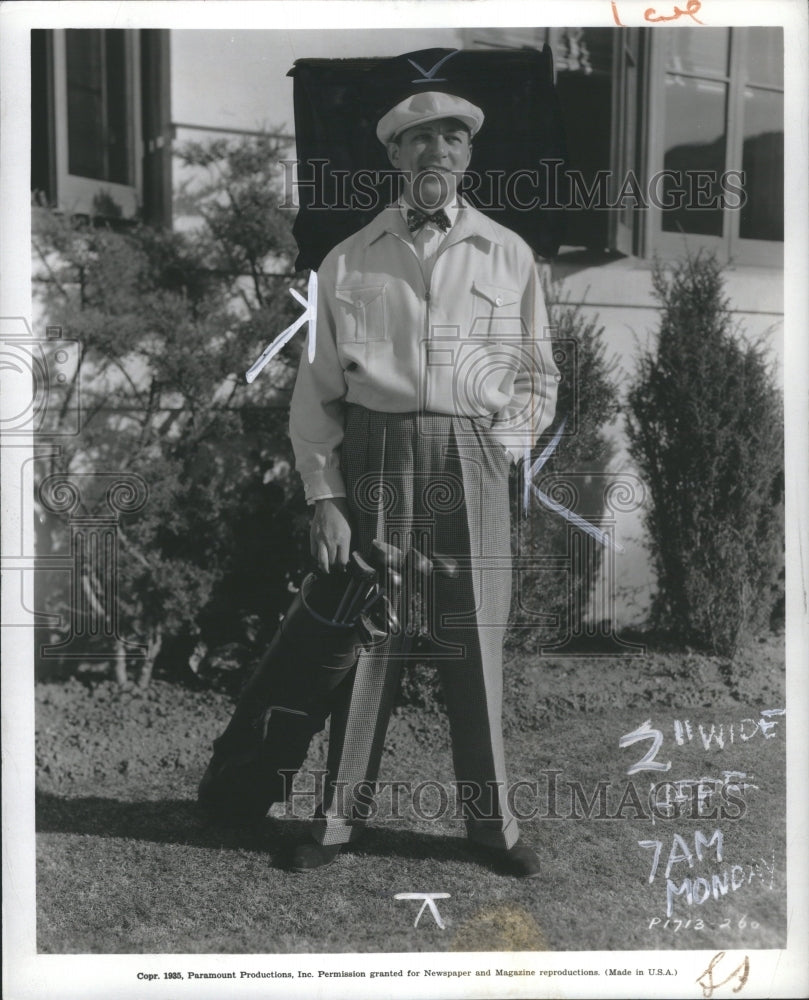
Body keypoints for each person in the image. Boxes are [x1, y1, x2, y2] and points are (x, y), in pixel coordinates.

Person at [288, 90, 559, 876]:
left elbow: (538, 375)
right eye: (417, 139)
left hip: (468, 455)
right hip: (374, 457)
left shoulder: (507, 255)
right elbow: (315, 394)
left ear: (467, 157)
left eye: (451, 137)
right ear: (394, 156)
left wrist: (497, 450)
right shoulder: (348, 258)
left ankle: (492, 829)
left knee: (473, 642)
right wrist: (325, 496)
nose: (435, 150)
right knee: (370, 636)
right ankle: (339, 822)